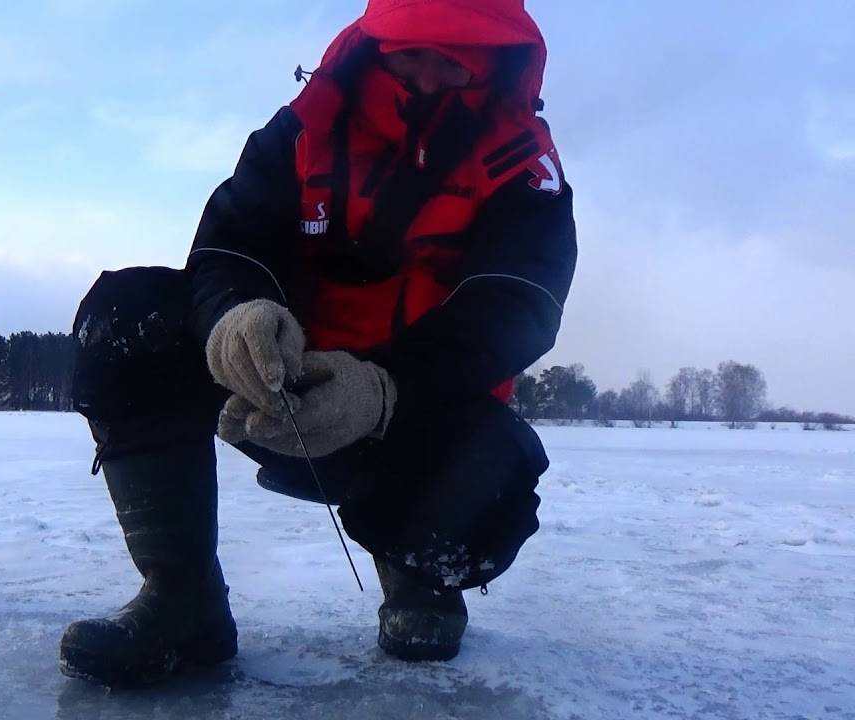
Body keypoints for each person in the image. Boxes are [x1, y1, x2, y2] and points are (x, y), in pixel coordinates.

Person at [59, 0, 577, 687]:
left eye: (454, 58)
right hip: (276, 390)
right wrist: (236, 316)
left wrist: (383, 390)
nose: (427, 75)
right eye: (410, 52)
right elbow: (227, 245)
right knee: (126, 316)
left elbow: (521, 303)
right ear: (377, 42)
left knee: (501, 470)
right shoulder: (300, 128)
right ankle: (182, 597)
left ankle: (419, 576)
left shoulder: (526, 168)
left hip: (416, 418)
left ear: (493, 59)